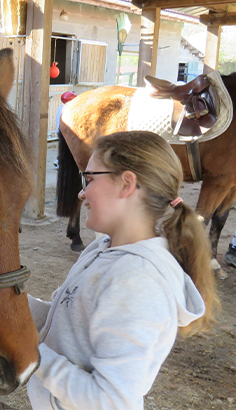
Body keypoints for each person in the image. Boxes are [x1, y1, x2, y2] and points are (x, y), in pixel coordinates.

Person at [27, 131, 220, 410]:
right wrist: (7, 304)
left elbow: (110, 400)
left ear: (126, 183)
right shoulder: (104, 248)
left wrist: (32, 355)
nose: (81, 192)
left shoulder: (138, 280)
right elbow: (68, 322)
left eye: (90, 179)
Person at [54, 91, 77, 167]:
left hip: (60, 131)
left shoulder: (61, 107)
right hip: (65, 132)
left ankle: (58, 161)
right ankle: (58, 161)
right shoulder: (67, 109)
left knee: (64, 147)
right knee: (68, 148)